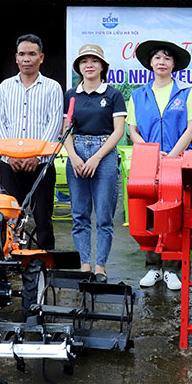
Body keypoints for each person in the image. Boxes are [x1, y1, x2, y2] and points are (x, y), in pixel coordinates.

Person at [127, 39, 192, 291]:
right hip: (148, 163)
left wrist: (170, 156)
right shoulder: (138, 94)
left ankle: (172, 269)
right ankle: (152, 268)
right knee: (148, 214)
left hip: (177, 162)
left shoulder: (186, 92)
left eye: (167, 58)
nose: (161, 62)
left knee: (173, 214)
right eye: (157, 58)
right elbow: (132, 130)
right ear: (150, 63)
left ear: (174, 65)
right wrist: (151, 153)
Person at [0, 34, 63, 250]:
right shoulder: (4, 87)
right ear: (16, 58)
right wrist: (10, 154)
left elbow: (54, 123)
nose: (27, 59)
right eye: (22, 54)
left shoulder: (52, 87)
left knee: (43, 216)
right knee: (11, 215)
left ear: (41, 57)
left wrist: (37, 155)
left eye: (32, 54)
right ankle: (10, 257)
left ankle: (45, 260)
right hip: (10, 163)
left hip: (41, 164)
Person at [63, 44, 126, 282]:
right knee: (79, 214)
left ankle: (100, 266)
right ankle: (85, 264)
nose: (89, 65)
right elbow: (66, 130)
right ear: (78, 67)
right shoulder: (71, 94)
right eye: (84, 61)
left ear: (103, 66)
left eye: (94, 61)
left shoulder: (113, 94)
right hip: (76, 151)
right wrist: (74, 156)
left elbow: (118, 130)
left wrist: (97, 157)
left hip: (105, 152)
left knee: (104, 216)